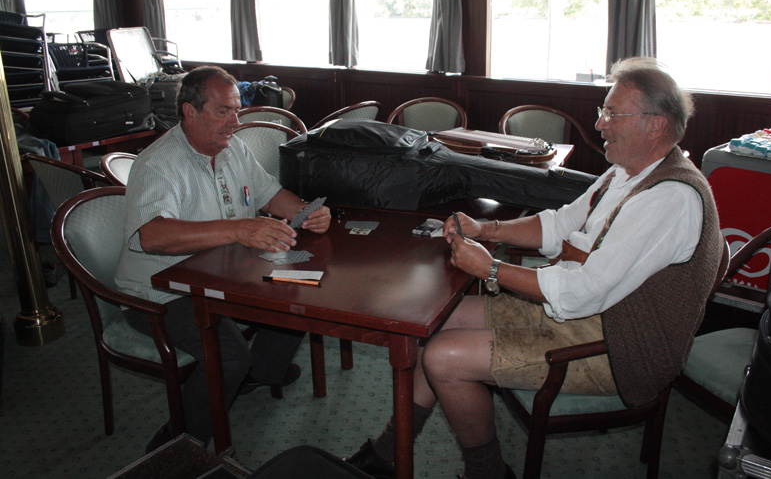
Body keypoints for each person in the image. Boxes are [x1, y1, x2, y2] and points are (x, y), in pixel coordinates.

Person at [346, 57, 722, 479]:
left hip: (621, 346)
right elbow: (559, 224)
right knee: (430, 322)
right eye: (603, 111)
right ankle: (388, 451)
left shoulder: (669, 198)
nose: (600, 124)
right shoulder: (626, 173)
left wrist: (491, 269)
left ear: (656, 125)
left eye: (613, 114)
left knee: (443, 358)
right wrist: (486, 228)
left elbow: (582, 292)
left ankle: (488, 474)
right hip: (583, 313)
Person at [114, 66, 331, 452]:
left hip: (225, 274)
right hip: (162, 292)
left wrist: (306, 212)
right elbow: (153, 236)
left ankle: (257, 373)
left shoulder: (233, 148)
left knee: (301, 296)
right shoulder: (159, 164)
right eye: (223, 111)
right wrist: (238, 230)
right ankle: (177, 444)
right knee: (228, 356)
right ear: (189, 112)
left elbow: (269, 194)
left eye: (236, 110)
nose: (235, 122)